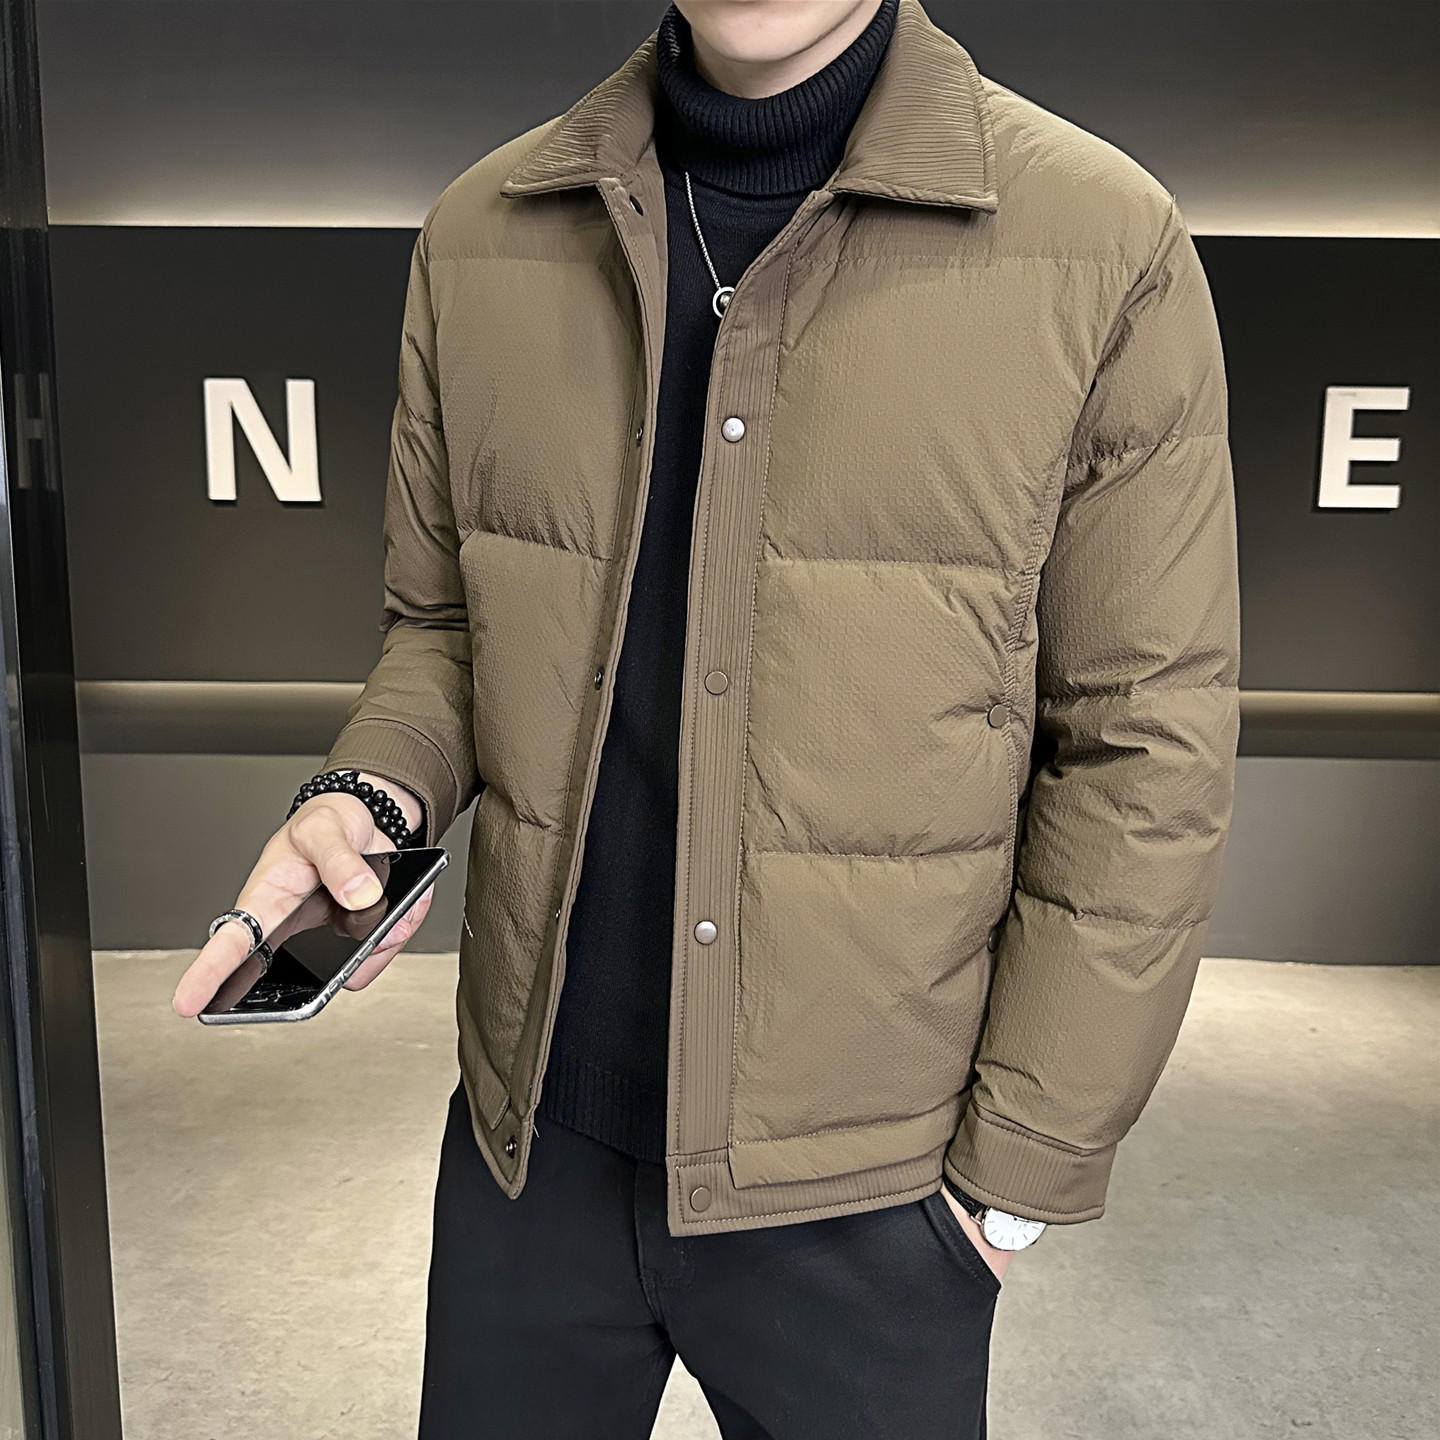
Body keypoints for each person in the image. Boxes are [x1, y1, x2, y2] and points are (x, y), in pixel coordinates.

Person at [175, 0, 1240, 1434]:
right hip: (528, 1151)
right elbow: (446, 628)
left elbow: (1144, 746)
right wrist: (372, 790)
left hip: (870, 1200)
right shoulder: (483, 230)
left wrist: (1011, 1184)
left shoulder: (1103, 242)